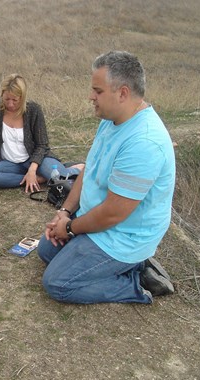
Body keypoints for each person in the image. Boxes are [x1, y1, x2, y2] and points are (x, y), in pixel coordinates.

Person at [37, 51, 176, 304]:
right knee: (46, 250)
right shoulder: (112, 120)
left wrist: (68, 229)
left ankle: (135, 285)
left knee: (57, 283)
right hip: (100, 219)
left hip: (124, 235)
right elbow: (89, 170)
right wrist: (66, 212)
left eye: (98, 91)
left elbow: (114, 213)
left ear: (122, 93)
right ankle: (124, 266)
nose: (91, 96)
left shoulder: (143, 142)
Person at [0, 74, 84, 193]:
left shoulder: (33, 110)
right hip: (9, 162)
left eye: (15, 100)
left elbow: (42, 145)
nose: (10, 104)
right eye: (6, 99)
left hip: (36, 160)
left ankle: (75, 169)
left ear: (22, 97)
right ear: (2, 94)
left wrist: (32, 169)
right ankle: (39, 178)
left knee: (61, 179)